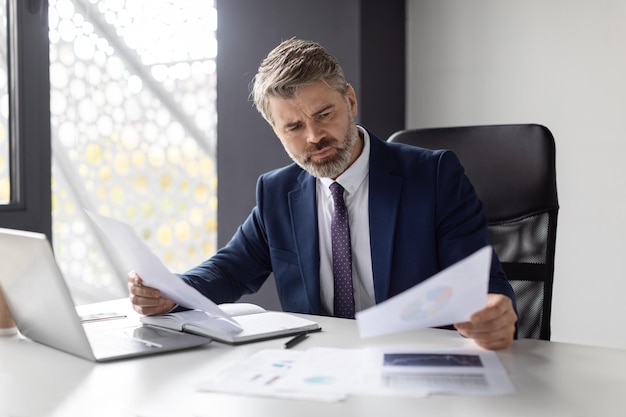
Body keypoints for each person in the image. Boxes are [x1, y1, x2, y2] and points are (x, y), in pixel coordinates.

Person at [128, 38, 518, 350]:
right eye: (294, 127)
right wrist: (170, 291)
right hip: (322, 369)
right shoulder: (277, 192)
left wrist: (495, 314)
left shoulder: (433, 176)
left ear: (349, 101)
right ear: (277, 132)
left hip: (416, 365)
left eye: (324, 115)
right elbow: (228, 271)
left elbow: (483, 285)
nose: (314, 137)